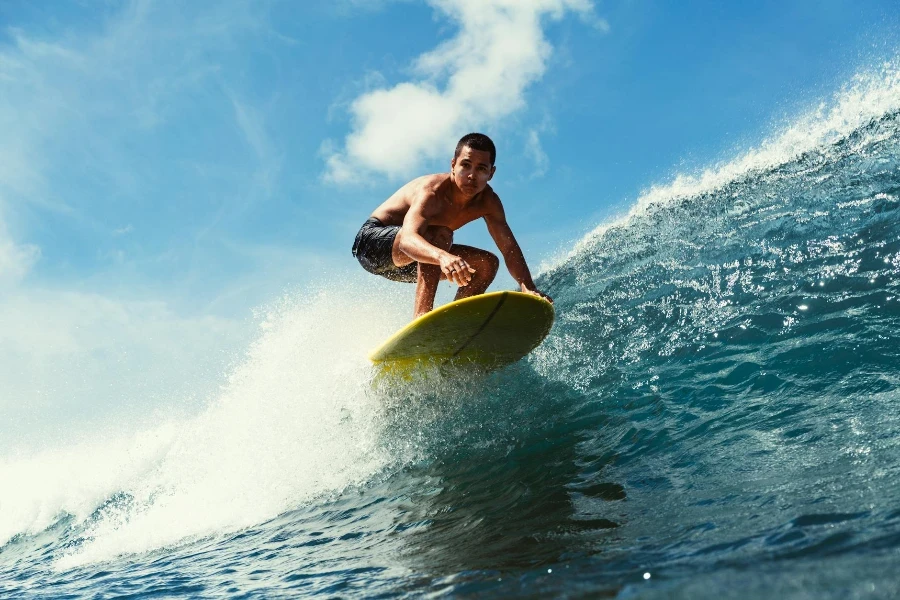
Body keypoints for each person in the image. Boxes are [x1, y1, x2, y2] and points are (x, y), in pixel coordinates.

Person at [352, 133, 553, 318]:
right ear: (453, 165)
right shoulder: (432, 192)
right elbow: (407, 240)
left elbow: (508, 248)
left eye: (481, 169)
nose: (472, 175)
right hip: (373, 245)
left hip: (409, 263)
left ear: (491, 173)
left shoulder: (489, 202)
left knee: (486, 264)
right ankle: (421, 317)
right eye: (465, 165)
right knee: (438, 235)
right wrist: (442, 256)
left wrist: (527, 285)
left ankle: (455, 322)